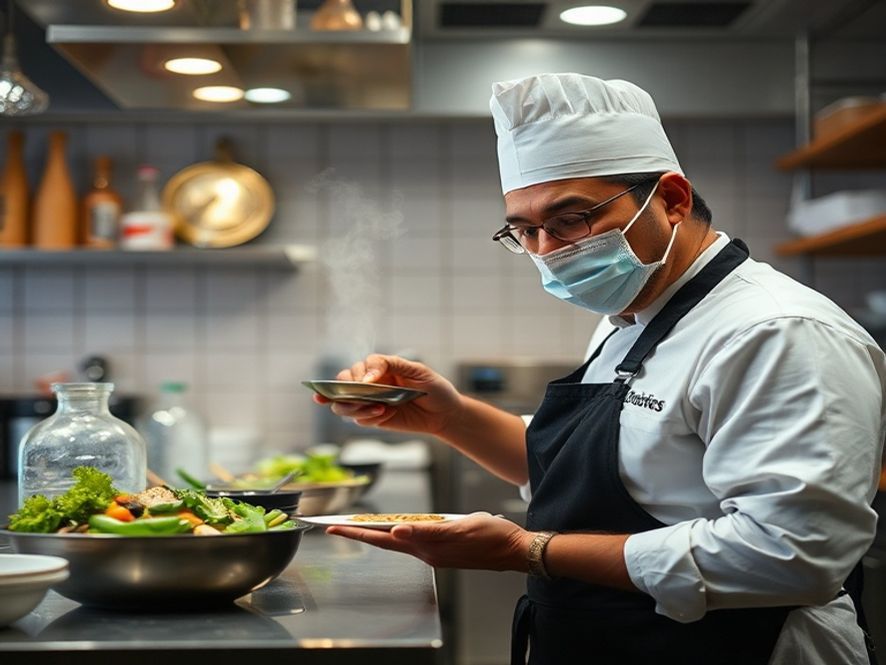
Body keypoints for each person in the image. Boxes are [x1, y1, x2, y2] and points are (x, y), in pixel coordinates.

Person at [313, 73, 886, 665]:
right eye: (524, 230)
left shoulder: (777, 332)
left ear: (671, 199)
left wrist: (530, 551)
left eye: (570, 219)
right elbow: (591, 469)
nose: (546, 250)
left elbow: (791, 555)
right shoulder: (633, 310)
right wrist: (448, 418)